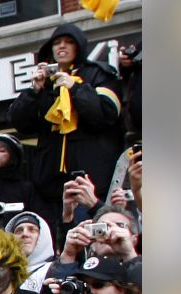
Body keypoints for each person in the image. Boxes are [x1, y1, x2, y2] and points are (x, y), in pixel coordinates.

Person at [7, 23, 125, 211]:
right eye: (57, 43)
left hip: (92, 184)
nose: (62, 46)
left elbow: (106, 114)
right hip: (50, 188)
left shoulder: (98, 73)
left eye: (69, 42)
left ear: (79, 47)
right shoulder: (45, 82)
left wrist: (75, 88)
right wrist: (34, 91)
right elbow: (19, 123)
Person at [4, 211, 56, 294]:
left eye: (32, 230)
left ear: (43, 236)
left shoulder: (54, 269)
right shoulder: (2, 274)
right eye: (19, 231)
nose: (25, 234)